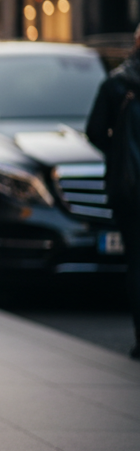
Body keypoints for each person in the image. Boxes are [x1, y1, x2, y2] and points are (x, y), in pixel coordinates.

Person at [86, 22, 140, 360]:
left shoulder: (117, 84)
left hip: (130, 188)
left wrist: (119, 153)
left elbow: (94, 131)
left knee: (136, 262)